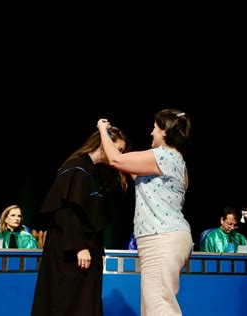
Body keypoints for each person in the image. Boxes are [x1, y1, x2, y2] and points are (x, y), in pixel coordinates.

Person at [97, 108, 193, 316]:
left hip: (162, 237)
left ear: (165, 133)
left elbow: (116, 160)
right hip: (169, 236)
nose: (151, 133)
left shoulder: (162, 156)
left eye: (155, 128)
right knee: (155, 306)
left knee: (159, 307)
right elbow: (135, 174)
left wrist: (102, 130)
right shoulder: (178, 161)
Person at [31, 126, 128, 316]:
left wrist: (98, 250)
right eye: (119, 149)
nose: (120, 155)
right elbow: (65, 211)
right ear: (104, 143)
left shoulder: (96, 173)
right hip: (69, 250)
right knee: (67, 302)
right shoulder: (76, 167)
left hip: (86, 250)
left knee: (85, 303)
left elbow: (95, 218)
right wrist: (79, 246)